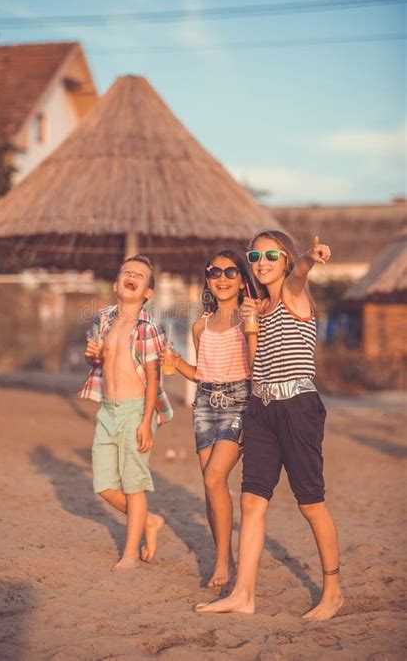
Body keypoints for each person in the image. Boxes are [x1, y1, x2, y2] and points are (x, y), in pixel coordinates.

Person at [196, 231, 344, 621]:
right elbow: (256, 361)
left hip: (297, 406)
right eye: (255, 255)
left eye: (270, 255)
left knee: (310, 503)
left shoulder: (294, 293)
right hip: (260, 409)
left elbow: (301, 274)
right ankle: (243, 594)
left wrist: (310, 257)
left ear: (285, 260)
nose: (261, 261)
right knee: (251, 500)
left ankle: (333, 591)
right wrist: (250, 325)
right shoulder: (258, 308)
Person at [162, 250, 255, 589]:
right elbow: (201, 373)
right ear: (207, 278)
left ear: (243, 281)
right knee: (210, 484)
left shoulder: (250, 319)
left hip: (239, 404)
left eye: (231, 272)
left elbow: (256, 365)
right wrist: (173, 361)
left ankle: (221, 563)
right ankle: (225, 557)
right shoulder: (200, 325)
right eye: (215, 272)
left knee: (216, 478)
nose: (223, 278)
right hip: (205, 405)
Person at [80, 255, 172, 571]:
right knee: (104, 485)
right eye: (126, 273)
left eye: (140, 275)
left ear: (148, 291)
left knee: (134, 485)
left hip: (136, 411)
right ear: (117, 284)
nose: (132, 277)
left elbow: (154, 378)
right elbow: (100, 362)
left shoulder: (148, 327)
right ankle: (148, 521)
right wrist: (93, 357)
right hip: (108, 410)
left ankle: (130, 552)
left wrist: (147, 421)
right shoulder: (103, 320)